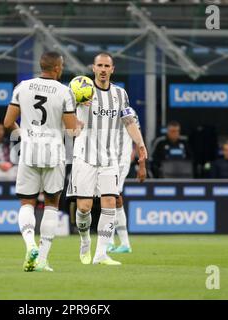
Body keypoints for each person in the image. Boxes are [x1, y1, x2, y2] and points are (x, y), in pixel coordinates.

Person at [67, 52, 147, 266]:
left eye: (106, 66)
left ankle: (101, 253)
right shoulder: (81, 92)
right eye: (99, 65)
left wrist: (140, 145)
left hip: (110, 158)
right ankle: (84, 241)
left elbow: (129, 122)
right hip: (84, 157)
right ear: (93, 68)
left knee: (110, 201)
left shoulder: (121, 94)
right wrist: (74, 126)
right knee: (84, 207)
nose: (103, 69)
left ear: (112, 69)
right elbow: (70, 126)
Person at [4, 51, 81, 272]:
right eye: (62, 65)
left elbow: (8, 122)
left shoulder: (22, 87)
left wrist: (24, 135)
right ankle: (43, 259)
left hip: (28, 150)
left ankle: (30, 246)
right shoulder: (65, 92)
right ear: (57, 68)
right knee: (51, 204)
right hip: (54, 152)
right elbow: (71, 130)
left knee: (27, 203)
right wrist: (80, 124)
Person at [108, 126, 147, 254]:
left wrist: (141, 165)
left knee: (111, 196)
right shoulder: (105, 108)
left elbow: (138, 139)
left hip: (120, 161)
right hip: (106, 159)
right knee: (114, 198)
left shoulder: (129, 113)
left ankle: (110, 242)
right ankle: (123, 244)